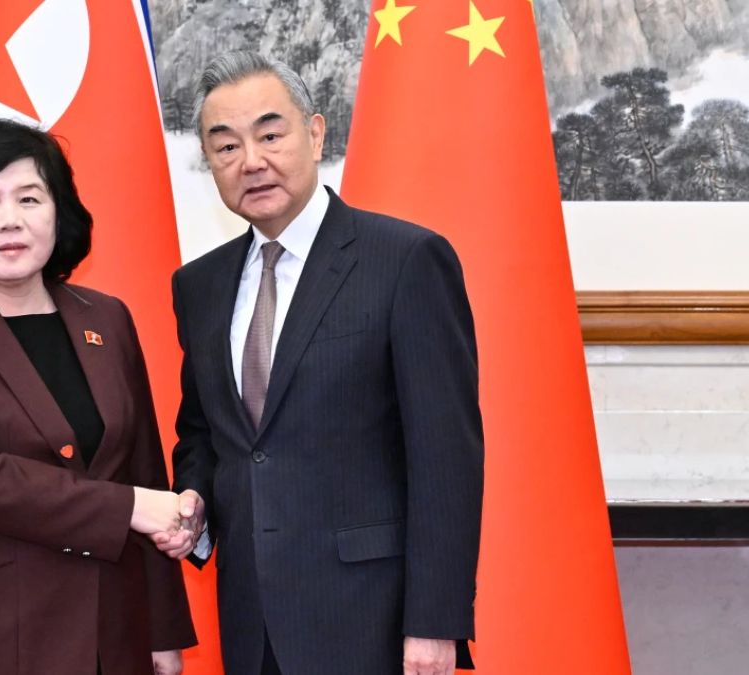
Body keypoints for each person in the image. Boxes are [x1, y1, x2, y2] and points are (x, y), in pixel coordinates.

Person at [153, 52, 484, 675]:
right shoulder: (199, 286)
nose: (251, 161)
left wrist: (435, 624)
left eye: (270, 135)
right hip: (251, 622)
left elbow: (446, 458)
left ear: (315, 133)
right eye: (226, 147)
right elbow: (204, 432)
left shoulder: (405, 260)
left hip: (373, 621)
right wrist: (194, 500)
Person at [0, 119, 196, 675]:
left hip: (113, 635)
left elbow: (144, 469)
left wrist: (163, 632)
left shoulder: (107, 319)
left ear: (59, 215)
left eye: (29, 198)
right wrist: (127, 508)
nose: (10, 219)